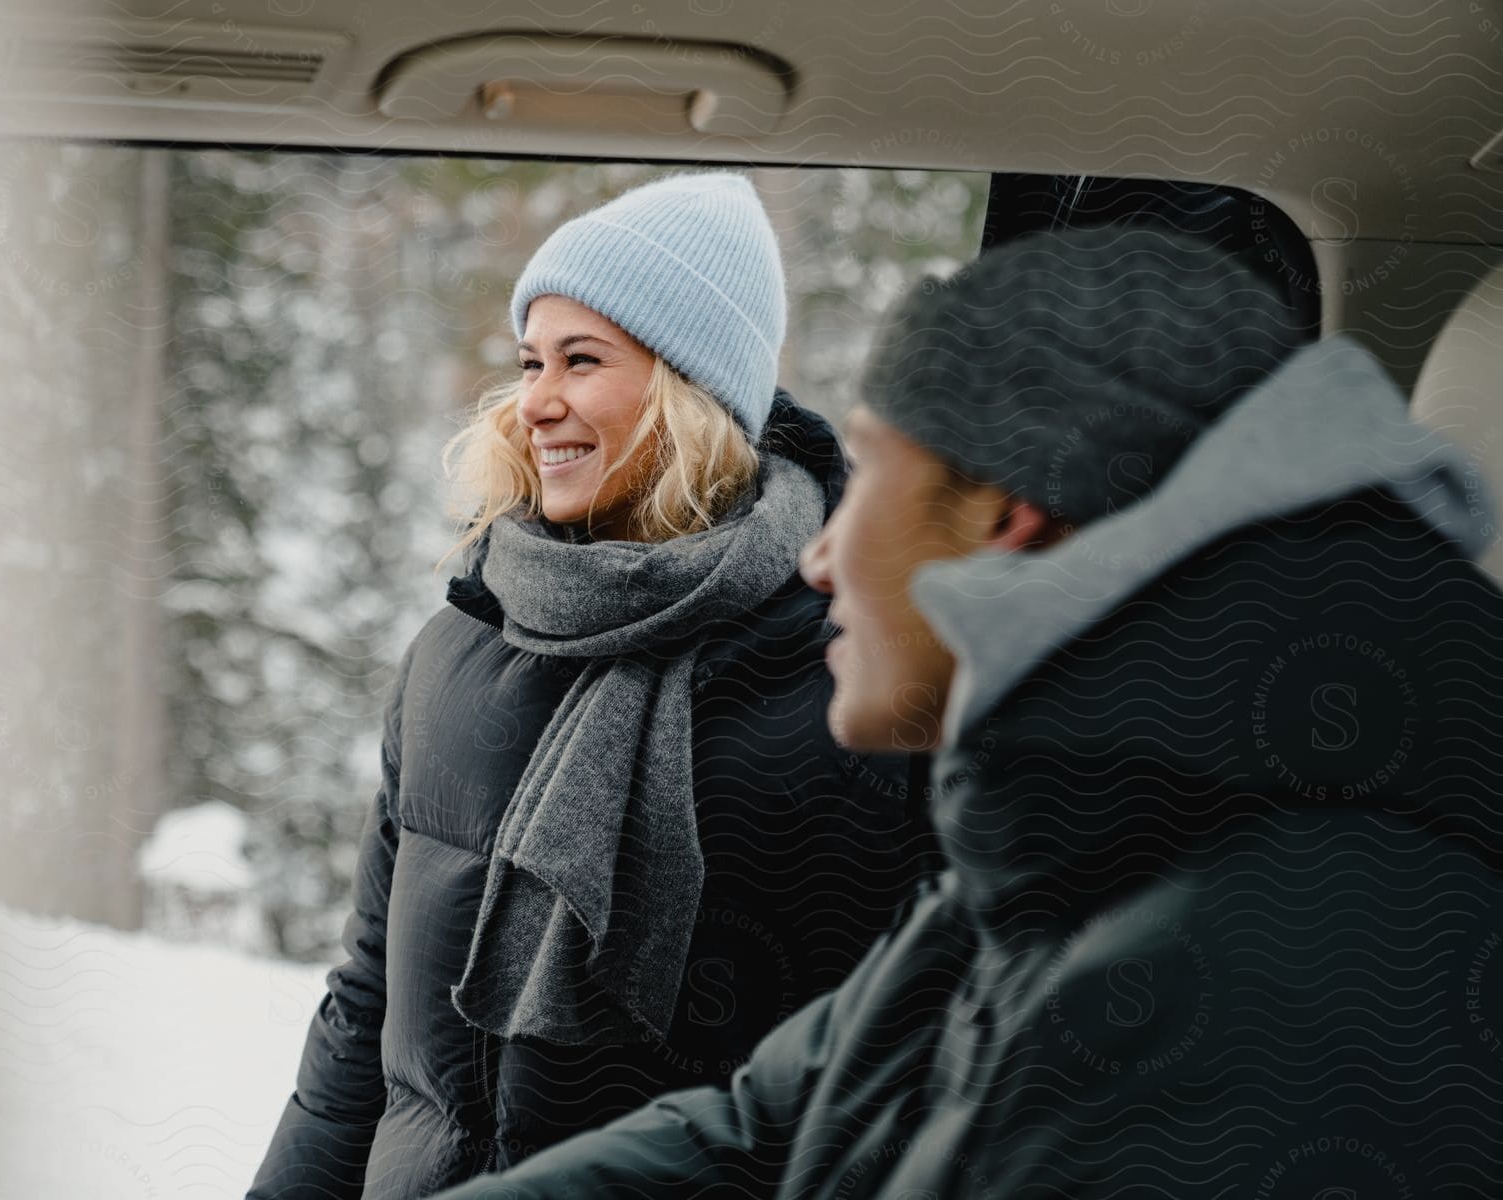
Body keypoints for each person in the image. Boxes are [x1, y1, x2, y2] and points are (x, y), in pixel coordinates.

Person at [430, 225, 1503, 1198]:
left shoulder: (1279, 994)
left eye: (877, 472)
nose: (817, 557)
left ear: (1001, 512)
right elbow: (758, 1132)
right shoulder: (1053, 854)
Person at [246, 172, 930, 1200]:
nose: (537, 402)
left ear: (690, 388)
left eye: (582, 360)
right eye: (529, 361)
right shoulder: (456, 654)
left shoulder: (837, 682)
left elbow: (868, 1083)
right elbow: (364, 1005)